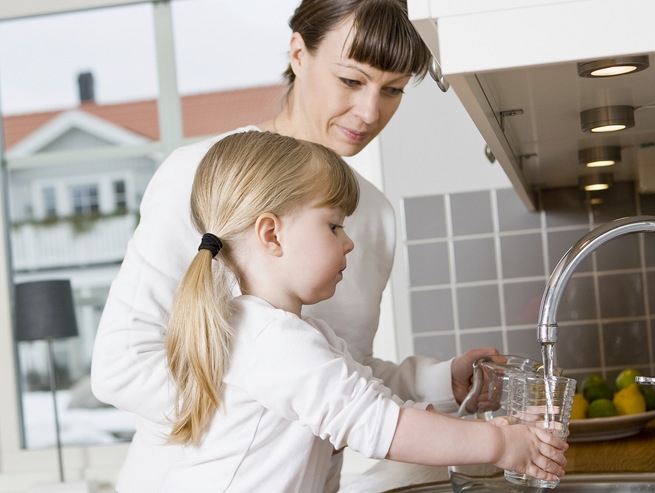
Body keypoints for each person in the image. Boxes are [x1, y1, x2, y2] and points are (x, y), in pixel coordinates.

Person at [90, 1, 497, 491]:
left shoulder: (373, 214)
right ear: (298, 53)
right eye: (351, 80)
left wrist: (437, 382)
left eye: (392, 90)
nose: (370, 111)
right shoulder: (205, 176)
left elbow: (333, 373)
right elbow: (123, 366)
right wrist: (277, 415)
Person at [152, 131, 567, 492]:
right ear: (271, 234)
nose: (348, 242)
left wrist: (489, 425)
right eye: (334, 226)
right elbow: (380, 425)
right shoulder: (272, 341)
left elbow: (385, 408)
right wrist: (499, 445)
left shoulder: (291, 333)